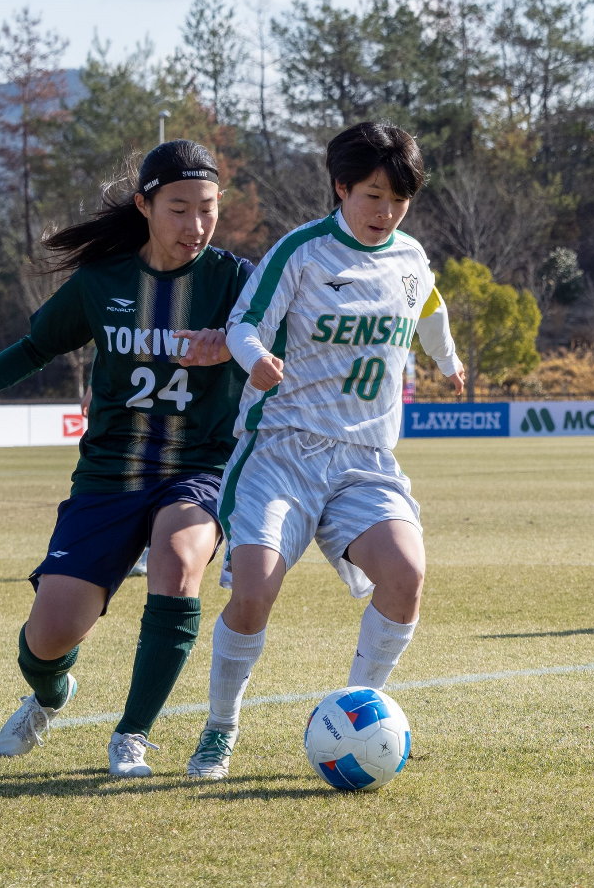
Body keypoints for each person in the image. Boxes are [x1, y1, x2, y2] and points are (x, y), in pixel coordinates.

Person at [0, 140, 253, 778]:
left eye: (207, 208)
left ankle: (133, 736)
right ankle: (50, 692)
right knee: (49, 637)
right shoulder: (103, 283)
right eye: (180, 209)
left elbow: (283, 349)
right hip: (108, 477)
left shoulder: (238, 281)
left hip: (199, 469)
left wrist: (236, 348)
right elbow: (32, 348)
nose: (196, 225)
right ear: (145, 206)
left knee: (180, 560)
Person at [185, 121, 465, 780]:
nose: (385, 211)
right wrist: (255, 361)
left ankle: (356, 709)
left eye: (398, 199)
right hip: (280, 449)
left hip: (366, 459)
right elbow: (244, 323)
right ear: (340, 187)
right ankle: (220, 727)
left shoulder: (411, 256)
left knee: (406, 577)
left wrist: (447, 359)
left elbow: (431, 307)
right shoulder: (304, 252)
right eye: (371, 195)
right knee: (253, 591)